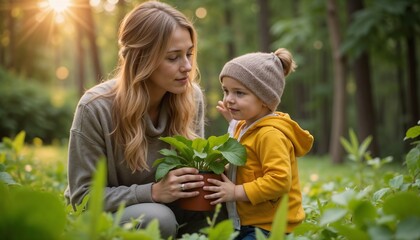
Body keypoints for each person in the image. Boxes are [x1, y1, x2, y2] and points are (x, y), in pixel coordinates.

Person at [64, 1, 213, 238]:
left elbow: (195, 178)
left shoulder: (191, 97)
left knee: (216, 202)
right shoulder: (94, 108)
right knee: (157, 219)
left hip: (169, 205)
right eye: (173, 57)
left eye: (189, 54)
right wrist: (152, 192)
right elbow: (82, 197)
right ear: (141, 59)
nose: (187, 67)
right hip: (106, 215)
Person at [203, 48, 314, 239]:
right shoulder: (246, 126)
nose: (229, 99)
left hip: (271, 227)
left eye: (239, 93)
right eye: (226, 91)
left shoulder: (271, 135)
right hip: (247, 222)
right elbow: (243, 151)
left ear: (265, 98)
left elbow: (279, 180)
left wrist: (236, 191)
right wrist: (233, 124)